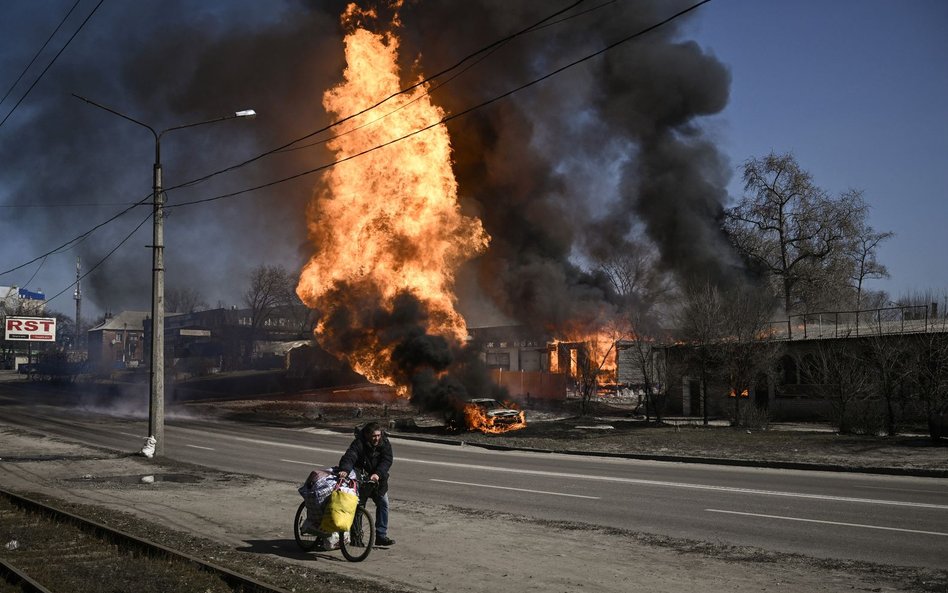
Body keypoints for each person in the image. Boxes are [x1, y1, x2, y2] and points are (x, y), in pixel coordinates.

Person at [336, 422, 395, 546]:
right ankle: (356, 537)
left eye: (378, 435)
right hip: (361, 479)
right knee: (359, 507)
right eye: (374, 436)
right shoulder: (359, 443)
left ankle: (381, 535)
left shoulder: (384, 443)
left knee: (383, 503)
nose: (377, 438)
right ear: (367, 435)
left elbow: (387, 460)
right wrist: (345, 470)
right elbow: (350, 456)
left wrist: (378, 474)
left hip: (378, 480)